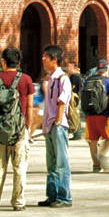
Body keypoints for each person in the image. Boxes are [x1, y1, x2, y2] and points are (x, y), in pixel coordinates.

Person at [0, 46, 34, 211]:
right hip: (19, 130)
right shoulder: (26, 80)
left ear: (3, 62)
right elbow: (30, 106)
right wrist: (28, 127)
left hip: (0, 129)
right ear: (18, 63)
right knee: (19, 167)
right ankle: (18, 202)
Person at [38, 45, 73, 207]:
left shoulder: (63, 79)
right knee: (51, 163)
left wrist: (58, 122)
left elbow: (62, 102)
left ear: (55, 60)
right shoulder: (50, 78)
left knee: (61, 162)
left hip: (57, 126)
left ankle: (64, 197)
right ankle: (52, 195)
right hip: (49, 126)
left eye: (46, 57)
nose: (43, 59)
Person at [79, 57, 109, 173]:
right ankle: (101, 154)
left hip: (90, 115)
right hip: (103, 115)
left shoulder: (88, 80)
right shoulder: (107, 81)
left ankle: (96, 165)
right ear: (107, 69)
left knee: (93, 140)